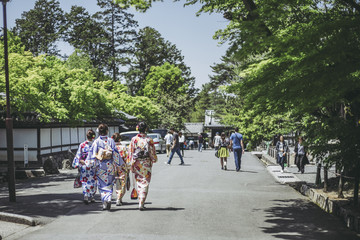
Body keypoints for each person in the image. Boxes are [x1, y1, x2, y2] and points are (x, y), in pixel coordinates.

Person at [86, 123, 124, 210]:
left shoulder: (96, 142)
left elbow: (93, 155)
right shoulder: (111, 141)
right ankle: (109, 198)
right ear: (107, 131)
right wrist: (120, 164)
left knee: (101, 184)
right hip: (110, 165)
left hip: (101, 166)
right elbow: (115, 153)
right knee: (109, 183)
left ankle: (105, 202)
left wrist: (90, 164)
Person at [128, 122, 158, 210]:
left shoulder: (134, 139)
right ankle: (141, 201)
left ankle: (140, 200)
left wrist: (131, 163)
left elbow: (131, 151)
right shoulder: (149, 140)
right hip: (146, 163)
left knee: (139, 181)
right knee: (145, 181)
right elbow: (152, 152)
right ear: (146, 129)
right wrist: (154, 159)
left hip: (137, 162)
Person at [72, 129, 97, 204]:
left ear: (87, 136)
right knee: (93, 181)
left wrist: (78, 162)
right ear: (93, 137)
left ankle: (86, 196)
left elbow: (78, 155)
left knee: (85, 181)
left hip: (84, 165)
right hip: (93, 165)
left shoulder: (82, 145)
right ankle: (92, 197)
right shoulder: (95, 144)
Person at [112, 132, 130, 206]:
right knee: (123, 184)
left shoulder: (112, 148)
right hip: (122, 167)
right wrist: (128, 167)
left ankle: (118, 197)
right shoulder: (123, 148)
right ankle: (119, 198)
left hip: (113, 167)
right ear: (119, 139)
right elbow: (127, 158)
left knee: (117, 183)